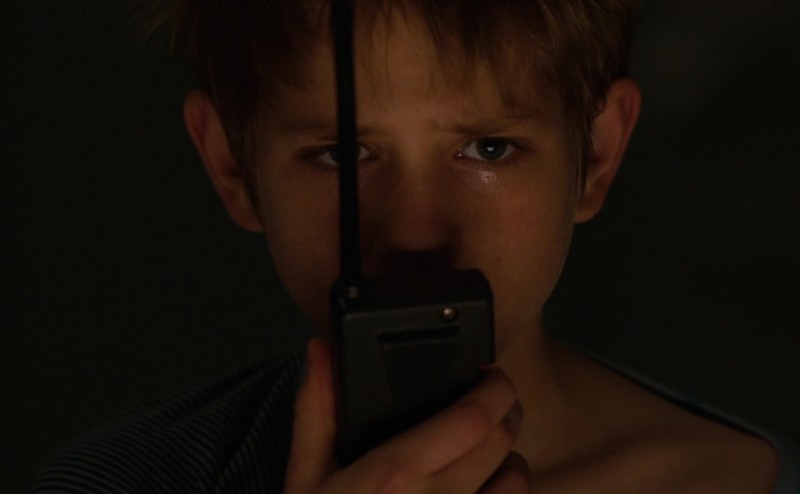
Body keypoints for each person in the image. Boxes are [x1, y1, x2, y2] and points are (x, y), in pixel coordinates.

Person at [32, 1, 800, 492]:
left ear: (596, 156)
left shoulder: (745, 478)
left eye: (490, 149)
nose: (415, 231)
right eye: (341, 154)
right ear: (232, 165)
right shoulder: (116, 482)